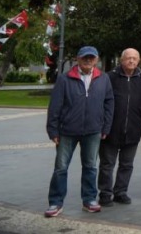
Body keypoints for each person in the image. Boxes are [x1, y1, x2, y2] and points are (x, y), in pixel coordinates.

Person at [45, 46, 114, 217]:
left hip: (93, 131)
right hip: (67, 131)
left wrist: (106, 127)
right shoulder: (64, 79)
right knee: (60, 168)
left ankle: (89, 200)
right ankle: (55, 203)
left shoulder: (103, 78)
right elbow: (55, 106)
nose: (88, 61)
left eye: (91, 58)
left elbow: (109, 103)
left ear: (96, 60)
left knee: (90, 167)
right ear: (78, 59)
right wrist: (53, 130)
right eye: (85, 58)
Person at [98, 48, 141, 207]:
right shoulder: (109, 77)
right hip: (110, 130)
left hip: (133, 129)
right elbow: (101, 102)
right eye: (128, 58)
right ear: (121, 60)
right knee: (107, 164)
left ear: (138, 60)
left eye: (134, 58)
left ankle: (120, 192)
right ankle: (105, 193)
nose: (131, 61)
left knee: (127, 164)